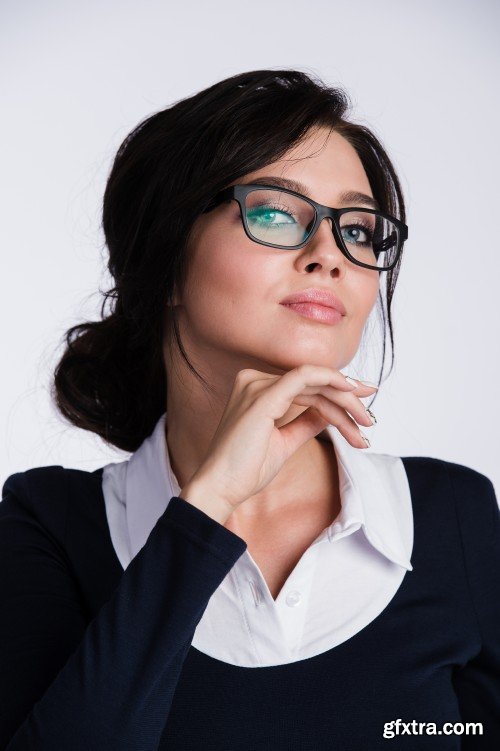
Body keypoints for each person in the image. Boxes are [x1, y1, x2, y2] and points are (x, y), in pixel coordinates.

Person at [0, 69, 498, 750]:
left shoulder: (457, 517)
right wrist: (207, 508)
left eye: (358, 229)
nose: (329, 255)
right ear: (166, 260)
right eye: (274, 212)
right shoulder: (49, 526)